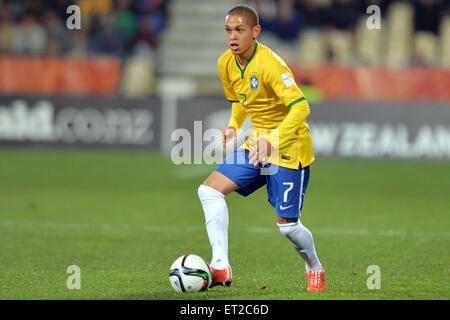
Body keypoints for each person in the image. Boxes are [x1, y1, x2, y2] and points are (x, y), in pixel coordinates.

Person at [197, 5, 325, 292]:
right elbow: (240, 98)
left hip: (290, 147)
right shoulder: (226, 64)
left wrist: (273, 140)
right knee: (208, 191)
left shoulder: (270, 65)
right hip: (258, 144)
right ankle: (220, 266)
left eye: (240, 30)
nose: (233, 36)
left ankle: (314, 266)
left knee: (288, 227)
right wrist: (233, 124)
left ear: (256, 31)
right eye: (228, 30)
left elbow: (301, 106)